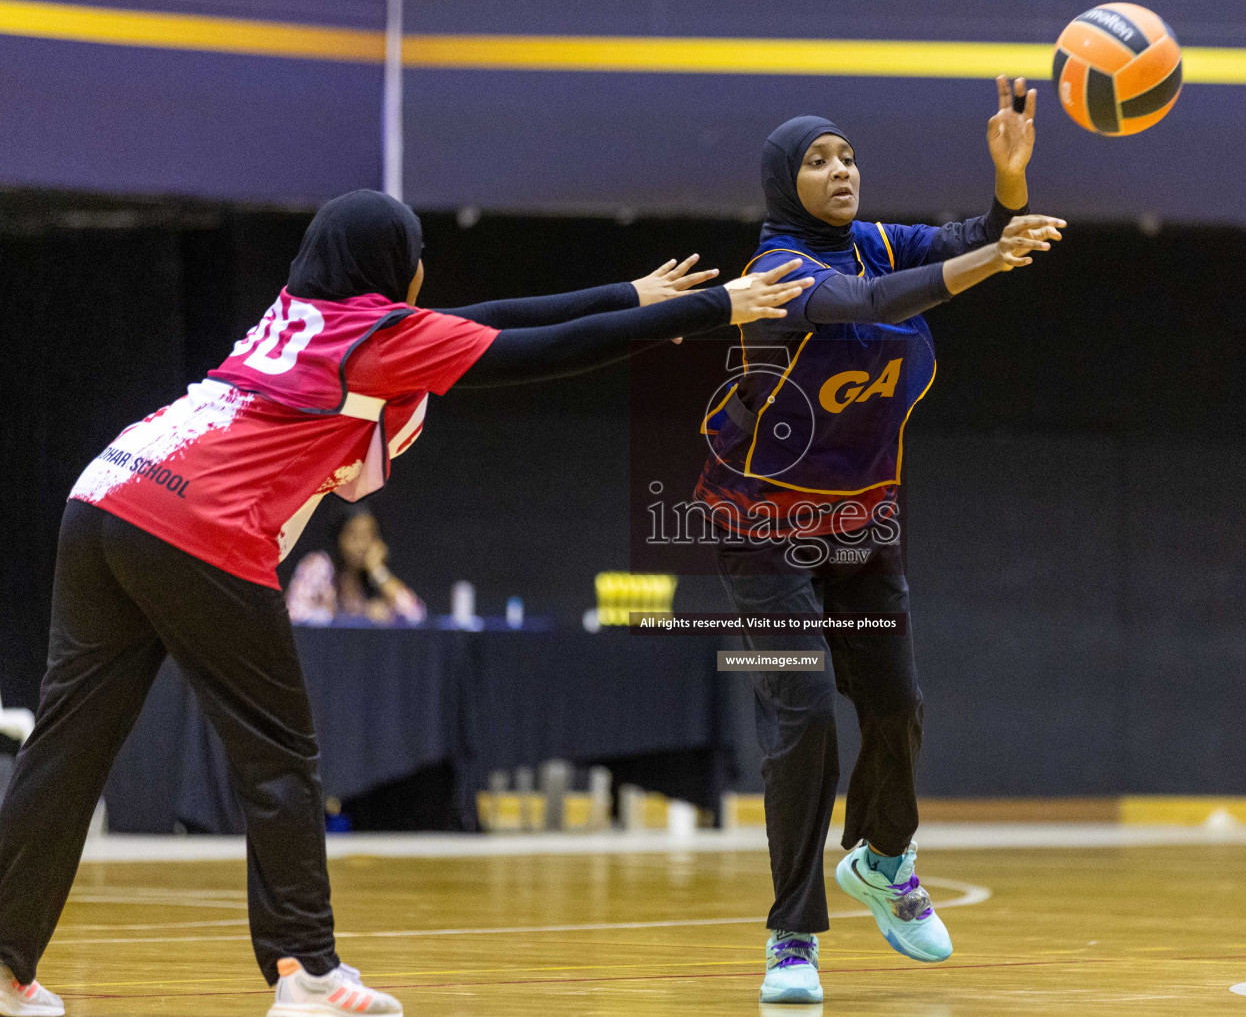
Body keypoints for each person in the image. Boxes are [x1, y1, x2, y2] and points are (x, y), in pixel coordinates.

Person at [0, 189, 809, 1017]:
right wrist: (719, 307)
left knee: (67, 745)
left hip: (108, 489)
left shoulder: (305, 310)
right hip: (196, 521)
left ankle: (2, 966)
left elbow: (491, 318)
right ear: (393, 265)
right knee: (278, 753)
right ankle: (308, 974)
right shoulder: (379, 341)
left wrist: (632, 297)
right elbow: (538, 349)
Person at [694, 77, 1066, 1004]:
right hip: (760, 524)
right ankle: (791, 939)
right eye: (819, 160)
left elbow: (967, 241)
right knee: (806, 714)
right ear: (786, 183)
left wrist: (1007, 188)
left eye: (848, 155)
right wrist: (988, 262)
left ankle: (884, 861)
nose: (842, 169)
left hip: (858, 518)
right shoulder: (777, 269)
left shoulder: (875, 236)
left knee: (897, 705)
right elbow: (863, 303)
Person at [286, 506, 425, 626]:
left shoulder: (374, 576)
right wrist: (361, 617)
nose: (362, 545)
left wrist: (379, 572)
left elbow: (416, 617)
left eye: (369, 536)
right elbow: (294, 615)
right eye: (353, 536)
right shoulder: (319, 566)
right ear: (339, 537)